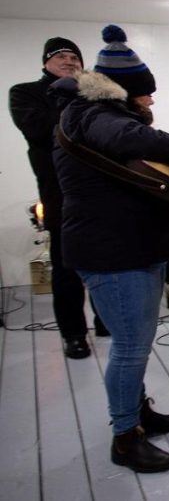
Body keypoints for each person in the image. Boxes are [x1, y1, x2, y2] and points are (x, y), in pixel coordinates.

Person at [51, 25, 169, 472]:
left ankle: (139, 414)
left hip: (130, 246)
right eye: (146, 93)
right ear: (124, 91)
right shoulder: (95, 115)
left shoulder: (96, 116)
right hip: (113, 253)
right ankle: (124, 436)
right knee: (131, 346)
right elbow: (135, 140)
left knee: (135, 342)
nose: (152, 101)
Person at [8, 36, 107, 358]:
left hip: (100, 191)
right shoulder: (26, 93)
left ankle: (105, 320)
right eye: (60, 56)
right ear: (45, 63)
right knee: (67, 268)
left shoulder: (95, 90)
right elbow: (38, 129)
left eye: (74, 56)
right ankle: (74, 334)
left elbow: (113, 129)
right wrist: (80, 106)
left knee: (106, 261)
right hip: (59, 193)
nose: (69, 60)